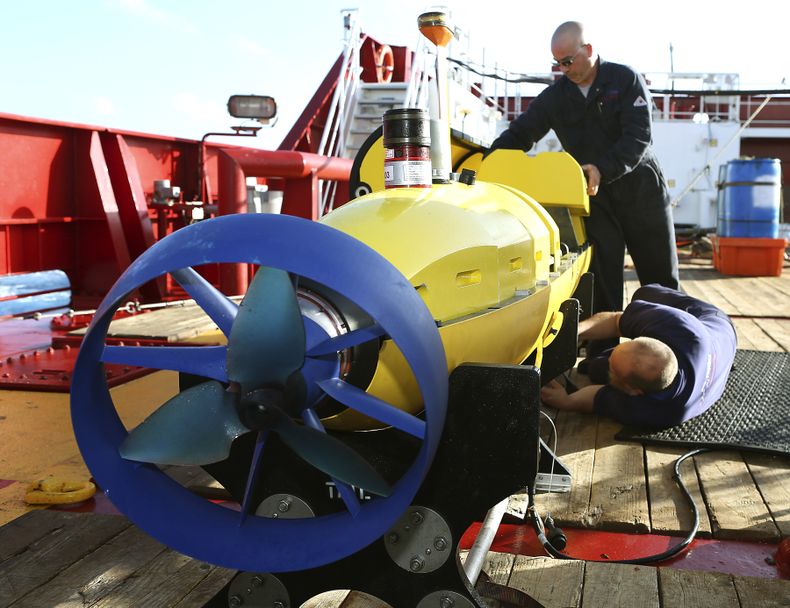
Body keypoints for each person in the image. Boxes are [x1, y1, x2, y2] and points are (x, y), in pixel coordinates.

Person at [486, 21, 680, 357]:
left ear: (588, 50)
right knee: (603, 281)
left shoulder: (625, 80)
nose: (563, 70)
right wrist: (487, 161)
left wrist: (601, 168)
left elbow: (638, 137)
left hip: (641, 192)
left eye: (567, 61)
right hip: (595, 199)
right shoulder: (555, 98)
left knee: (660, 280)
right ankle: (603, 358)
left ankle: (675, 350)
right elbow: (520, 133)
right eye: (556, 64)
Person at [540, 284, 737, 429]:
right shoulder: (683, 328)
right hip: (719, 327)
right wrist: (572, 333)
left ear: (635, 392)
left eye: (613, 366)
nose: (610, 362)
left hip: (714, 346)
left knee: (597, 368)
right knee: (644, 293)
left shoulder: (653, 411)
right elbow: (617, 320)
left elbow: (595, 399)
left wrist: (567, 402)